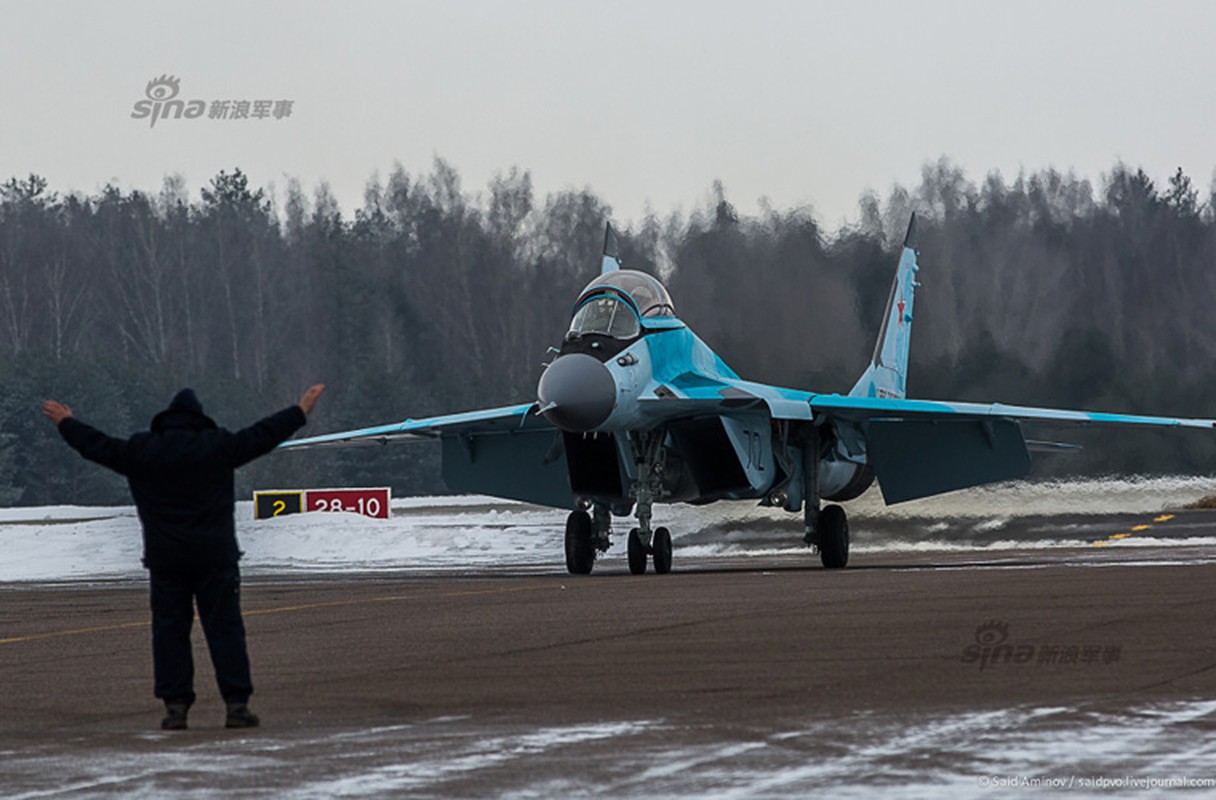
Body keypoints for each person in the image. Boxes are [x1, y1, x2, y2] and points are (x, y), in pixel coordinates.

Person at [42, 384, 326, 730]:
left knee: (169, 633)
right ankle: (236, 705)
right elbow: (261, 435)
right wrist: (300, 411)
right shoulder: (218, 446)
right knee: (225, 631)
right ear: (199, 420)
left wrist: (67, 423)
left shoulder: (142, 451)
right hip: (215, 558)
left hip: (166, 561)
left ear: (164, 422)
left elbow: (97, 446)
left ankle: (175, 707)